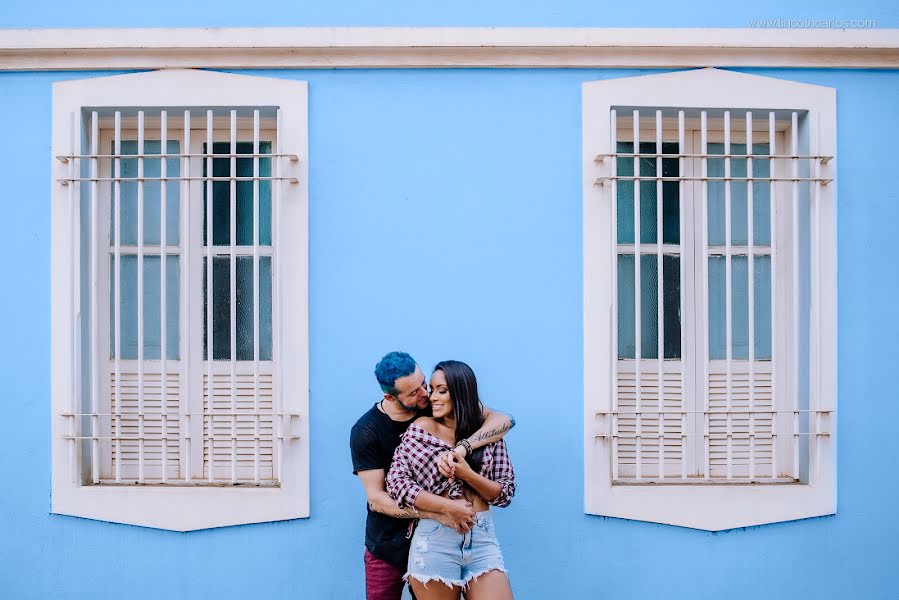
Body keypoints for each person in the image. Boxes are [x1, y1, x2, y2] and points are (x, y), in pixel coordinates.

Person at [351, 352, 515, 600]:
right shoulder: (367, 431)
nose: (426, 395)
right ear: (390, 397)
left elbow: (503, 420)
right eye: (414, 392)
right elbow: (378, 498)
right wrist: (442, 511)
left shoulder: (433, 403)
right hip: (390, 541)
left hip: (469, 532)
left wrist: (463, 449)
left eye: (424, 384)